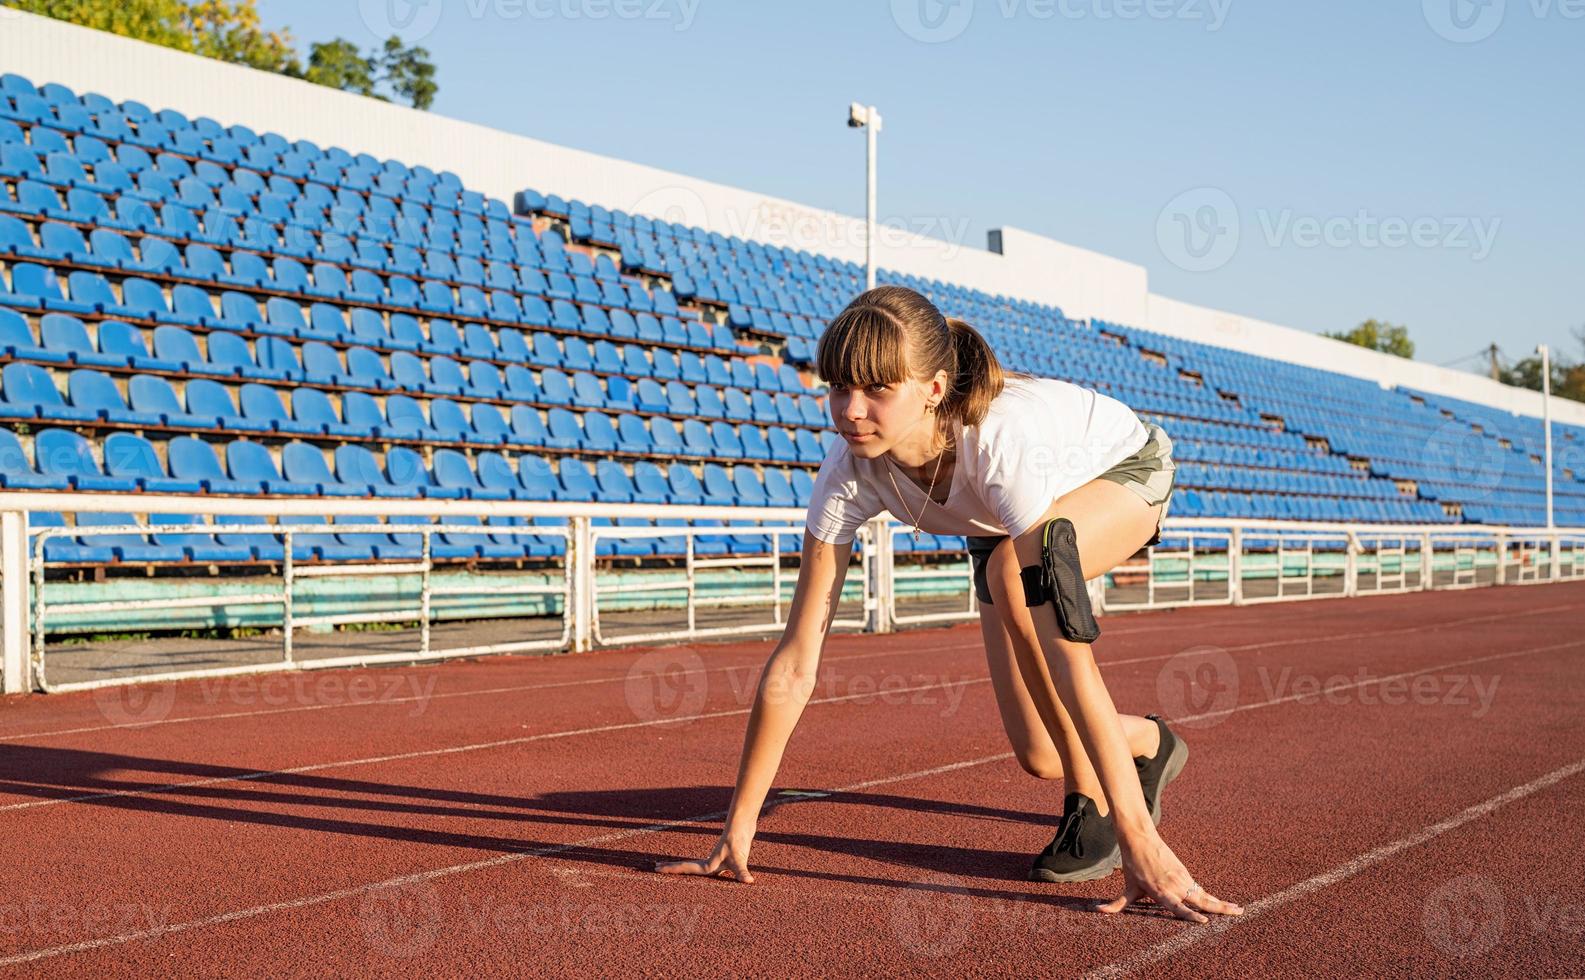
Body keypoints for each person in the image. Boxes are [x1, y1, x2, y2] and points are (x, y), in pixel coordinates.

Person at [656, 286, 1242, 922]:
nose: (851, 412)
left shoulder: (1000, 442)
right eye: (837, 388)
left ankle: (1107, 807)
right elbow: (797, 660)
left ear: (933, 389)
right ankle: (1150, 744)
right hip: (997, 527)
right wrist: (738, 830)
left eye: (877, 390)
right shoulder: (847, 472)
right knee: (1039, 754)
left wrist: (1142, 844)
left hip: (1119, 469)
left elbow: (1068, 652)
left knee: (1012, 582)